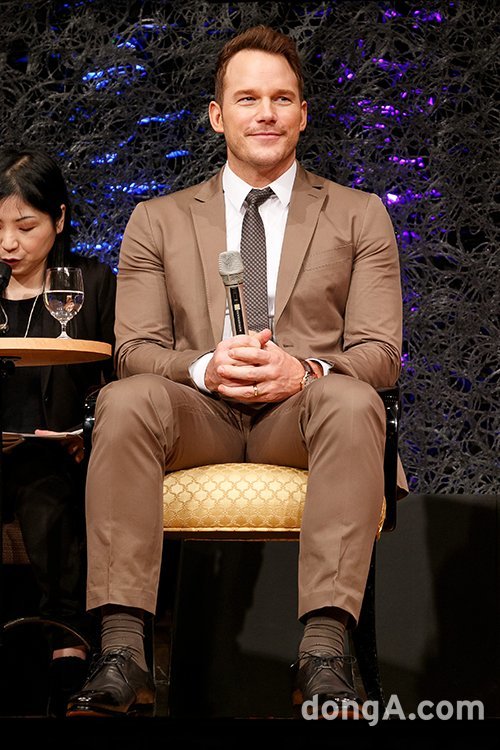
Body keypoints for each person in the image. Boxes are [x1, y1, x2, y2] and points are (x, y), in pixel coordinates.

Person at [67, 25, 408, 719]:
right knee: (125, 399)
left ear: (303, 114)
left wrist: (303, 369)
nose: (266, 113)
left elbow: (380, 353)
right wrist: (204, 367)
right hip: (198, 413)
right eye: (247, 98)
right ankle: (124, 653)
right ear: (218, 116)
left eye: (282, 99)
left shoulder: (359, 214)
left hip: (303, 417)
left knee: (353, 401)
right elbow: (134, 350)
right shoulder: (157, 219)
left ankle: (324, 656)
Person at [0, 146, 116, 717]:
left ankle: (68, 643)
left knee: (42, 482)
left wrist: (87, 430)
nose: (9, 244)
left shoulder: (89, 283)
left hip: (59, 455)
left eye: (25, 227)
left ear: (60, 218)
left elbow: (120, 373)